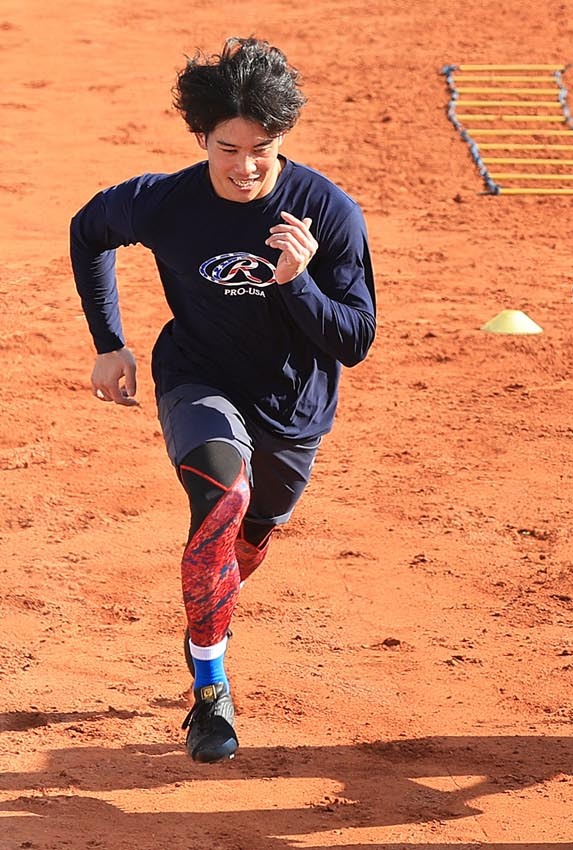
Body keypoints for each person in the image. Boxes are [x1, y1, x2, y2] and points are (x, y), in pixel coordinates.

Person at [70, 37, 376, 763]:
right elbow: (90, 230)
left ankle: (206, 619)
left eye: (262, 149)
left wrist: (297, 281)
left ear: (283, 138)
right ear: (201, 137)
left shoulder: (328, 213)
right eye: (228, 148)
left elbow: (355, 339)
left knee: (246, 537)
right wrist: (109, 341)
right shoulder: (166, 203)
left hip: (293, 408)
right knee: (220, 501)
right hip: (198, 379)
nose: (245, 167)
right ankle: (211, 694)